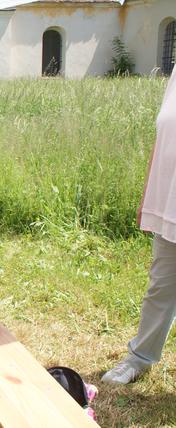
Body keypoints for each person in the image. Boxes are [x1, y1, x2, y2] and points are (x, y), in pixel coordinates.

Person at [101, 72, 176, 385]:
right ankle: (140, 358)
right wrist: (149, 194)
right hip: (170, 200)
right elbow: (163, 140)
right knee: (161, 286)